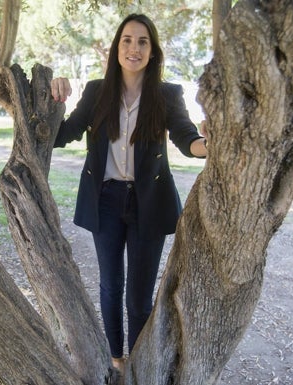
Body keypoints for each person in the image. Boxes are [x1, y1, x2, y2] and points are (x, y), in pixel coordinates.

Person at [50, 13, 207, 372]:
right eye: (127, 40)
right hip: (104, 200)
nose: (133, 48)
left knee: (138, 296)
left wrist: (208, 145)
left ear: (152, 52)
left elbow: (186, 137)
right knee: (110, 286)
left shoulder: (167, 94)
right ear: (116, 48)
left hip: (148, 204)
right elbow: (63, 133)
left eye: (142, 41)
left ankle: (139, 362)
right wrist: (50, 97)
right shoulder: (96, 91)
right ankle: (117, 360)